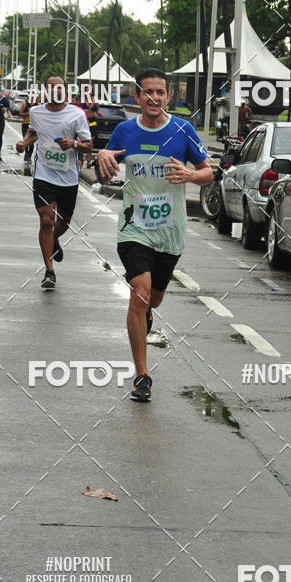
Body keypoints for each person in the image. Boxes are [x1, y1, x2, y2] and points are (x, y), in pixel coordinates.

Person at [96, 68, 213, 403]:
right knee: (140, 292)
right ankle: (142, 376)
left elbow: (208, 172)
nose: (154, 98)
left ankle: (146, 313)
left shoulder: (182, 129)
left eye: (160, 92)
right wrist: (103, 153)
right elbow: (108, 153)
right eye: (148, 92)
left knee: (154, 299)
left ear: (167, 97)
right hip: (134, 228)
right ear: (138, 96)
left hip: (170, 231)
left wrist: (192, 173)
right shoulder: (124, 130)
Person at [16, 75, 92, 290]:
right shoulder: (36, 112)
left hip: (68, 177)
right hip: (43, 175)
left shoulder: (77, 114)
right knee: (46, 220)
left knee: (63, 223)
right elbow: (34, 131)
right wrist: (24, 142)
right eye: (50, 87)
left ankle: (53, 240)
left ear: (65, 92)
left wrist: (74, 144)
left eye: (58, 88)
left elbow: (88, 145)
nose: (54, 91)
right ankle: (49, 270)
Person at [81, 97, 102, 168]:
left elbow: (98, 110)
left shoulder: (95, 100)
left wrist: (99, 113)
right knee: (82, 141)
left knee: (91, 141)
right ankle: (81, 158)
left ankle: (88, 160)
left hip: (92, 122)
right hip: (84, 121)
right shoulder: (82, 99)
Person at [20, 92, 40, 163]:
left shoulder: (37, 105)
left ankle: (29, 156)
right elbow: (20, 113)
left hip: (34, 124)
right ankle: (26, 152)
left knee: (31, 142)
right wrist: (27, 114)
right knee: (25, 140)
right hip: (25, 124)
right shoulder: (25, 103)